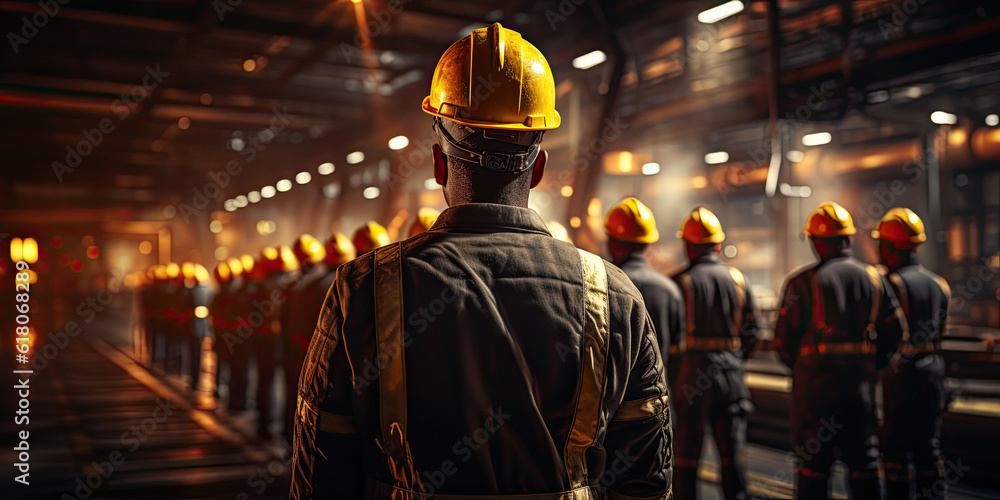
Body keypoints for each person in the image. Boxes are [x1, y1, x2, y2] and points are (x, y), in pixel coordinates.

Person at [291, 22, 672, 499]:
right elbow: (646, 481)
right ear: (537, 169)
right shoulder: (614, 295)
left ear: (438, 162)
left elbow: (320, 469)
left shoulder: (364, 288)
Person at [774, 201, 906, 500]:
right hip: (860, 392)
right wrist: (871, 365)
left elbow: (782, 343)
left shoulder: (800, 282)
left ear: (815, 242)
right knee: (864, 466)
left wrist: (807, 368)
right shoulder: (876, 279)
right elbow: (895, 334)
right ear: (847, 238)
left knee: (813, 469)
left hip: (815, 396)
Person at [669, 206, 758, 500]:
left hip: (691, 381)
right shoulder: (739, 280)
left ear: (688, 246)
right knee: (733, 457)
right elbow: (753, 332)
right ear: (718, 245)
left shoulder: (678, 283)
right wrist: (733, 359)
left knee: (685, 459)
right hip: (731, 377)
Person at [873, 208, 950, 500]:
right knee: (928, 447)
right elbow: (940, 332)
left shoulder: (890, 284)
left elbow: (884, 335)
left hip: (900, 376)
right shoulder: (939, 284)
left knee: (895, 449)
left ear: (890, 246)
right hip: (933, 374)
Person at [604, 197, 684, 372]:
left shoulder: (600, 284)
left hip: (611, 396)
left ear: (612, 243)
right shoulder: (670, 290)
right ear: (648, 243)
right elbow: (677, 355)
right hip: (659, 393)